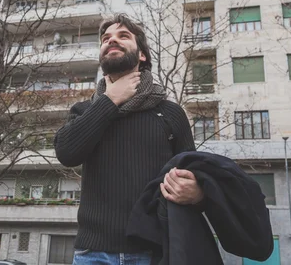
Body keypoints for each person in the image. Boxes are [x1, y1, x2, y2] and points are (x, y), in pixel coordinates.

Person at [54, 14, 203, 265]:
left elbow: (192, 174)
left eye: (123, 36)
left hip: (154, 253)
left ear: (141, 55)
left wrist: (197, 193)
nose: (112, 40)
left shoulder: (169, 113)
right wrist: (110, 100)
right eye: (106, 38)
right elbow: (67, 153)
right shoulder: (84, 111)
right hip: (93, 254)